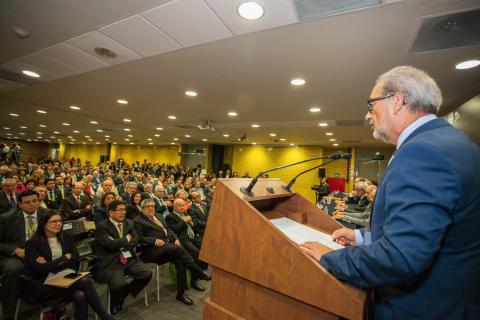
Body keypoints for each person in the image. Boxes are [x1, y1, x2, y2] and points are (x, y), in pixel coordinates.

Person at [301, 66, 480, 319]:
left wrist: (332, 258)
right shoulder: (452, 142)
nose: (367, 115)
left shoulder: (423, 153)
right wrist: (362, 237)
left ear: (396, 101)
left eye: (371, 104)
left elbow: (401, 258)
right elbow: (428, 229)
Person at [24, 211, 113, 320]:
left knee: (80, 294)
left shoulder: (65, 237)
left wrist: (50, 264)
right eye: (53, 221)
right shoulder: (32, 243)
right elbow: (40, 270)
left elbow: (75, 258)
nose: (58, 224)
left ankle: (104, 316)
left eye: (60, 221)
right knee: (85, 281)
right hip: (46, 284)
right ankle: (105, 316)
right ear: (44, 224)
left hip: (66, 278)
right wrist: (64, 258)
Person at [133, 199, 210, 305]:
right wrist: (153, 241)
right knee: (179, 249)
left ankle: (181, 293)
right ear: (142, 209)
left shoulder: (159, 216)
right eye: (148, 206)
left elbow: (168, 230)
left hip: (168, 247)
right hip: (152, 251)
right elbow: (138, 238)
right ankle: (199, 272)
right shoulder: (137, 220)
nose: (151, 208)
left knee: (181, 262)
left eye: (153, 206)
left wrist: (175, 239)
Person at [94, 200, 152, 315]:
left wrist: (118, 242)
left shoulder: (129, 223)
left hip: (128, 257)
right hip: (112, 260)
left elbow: (135, 240)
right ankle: (115, 302)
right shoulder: (102, 226)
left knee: (147, 273)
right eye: (120, 210)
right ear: (111, 212)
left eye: (124, 210)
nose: (123, 212)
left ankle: (124, 294)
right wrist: (126, 239)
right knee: (118, 284)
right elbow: (109, 245)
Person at [0, 190, 49, 320]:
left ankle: (52, 304)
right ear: (20, 204)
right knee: (13, 270)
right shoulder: (6, 218)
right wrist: (16, 250)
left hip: (42, 252)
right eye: (27, 202)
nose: (32, 205)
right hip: (16, 255)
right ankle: (8, 314)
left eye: (35, 201)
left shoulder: (47, 214)